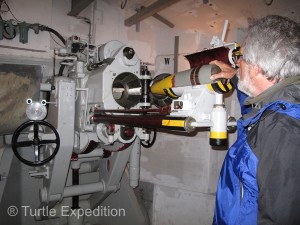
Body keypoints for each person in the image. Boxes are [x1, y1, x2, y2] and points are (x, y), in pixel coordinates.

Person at [210, 15, 300, 225]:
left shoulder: (284, 131)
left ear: (257, 68)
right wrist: (235, 76)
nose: (237, 61)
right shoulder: (281, 102)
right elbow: (256, 105)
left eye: (240, 57)